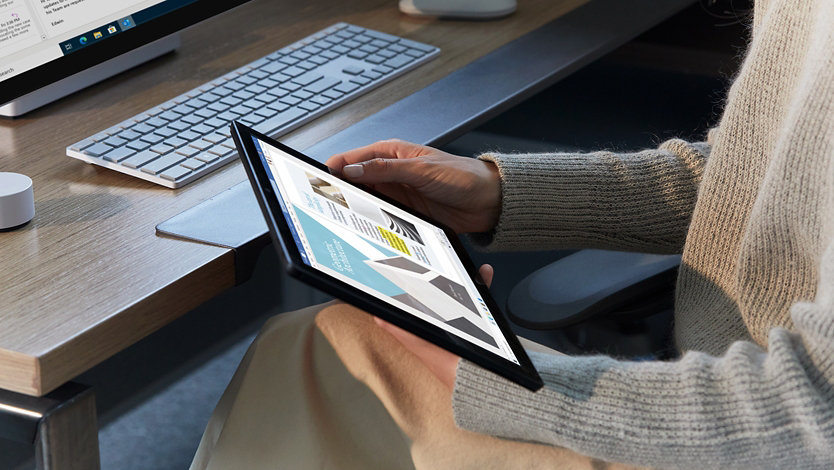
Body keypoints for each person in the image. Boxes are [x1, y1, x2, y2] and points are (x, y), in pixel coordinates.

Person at [191, 0, 834, 468]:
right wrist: (504, 192)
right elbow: (765, 172)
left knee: (315, 358)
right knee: (323, 340)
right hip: (722, 396)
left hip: (747, 437)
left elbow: (809, 416)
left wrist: (502, 381)